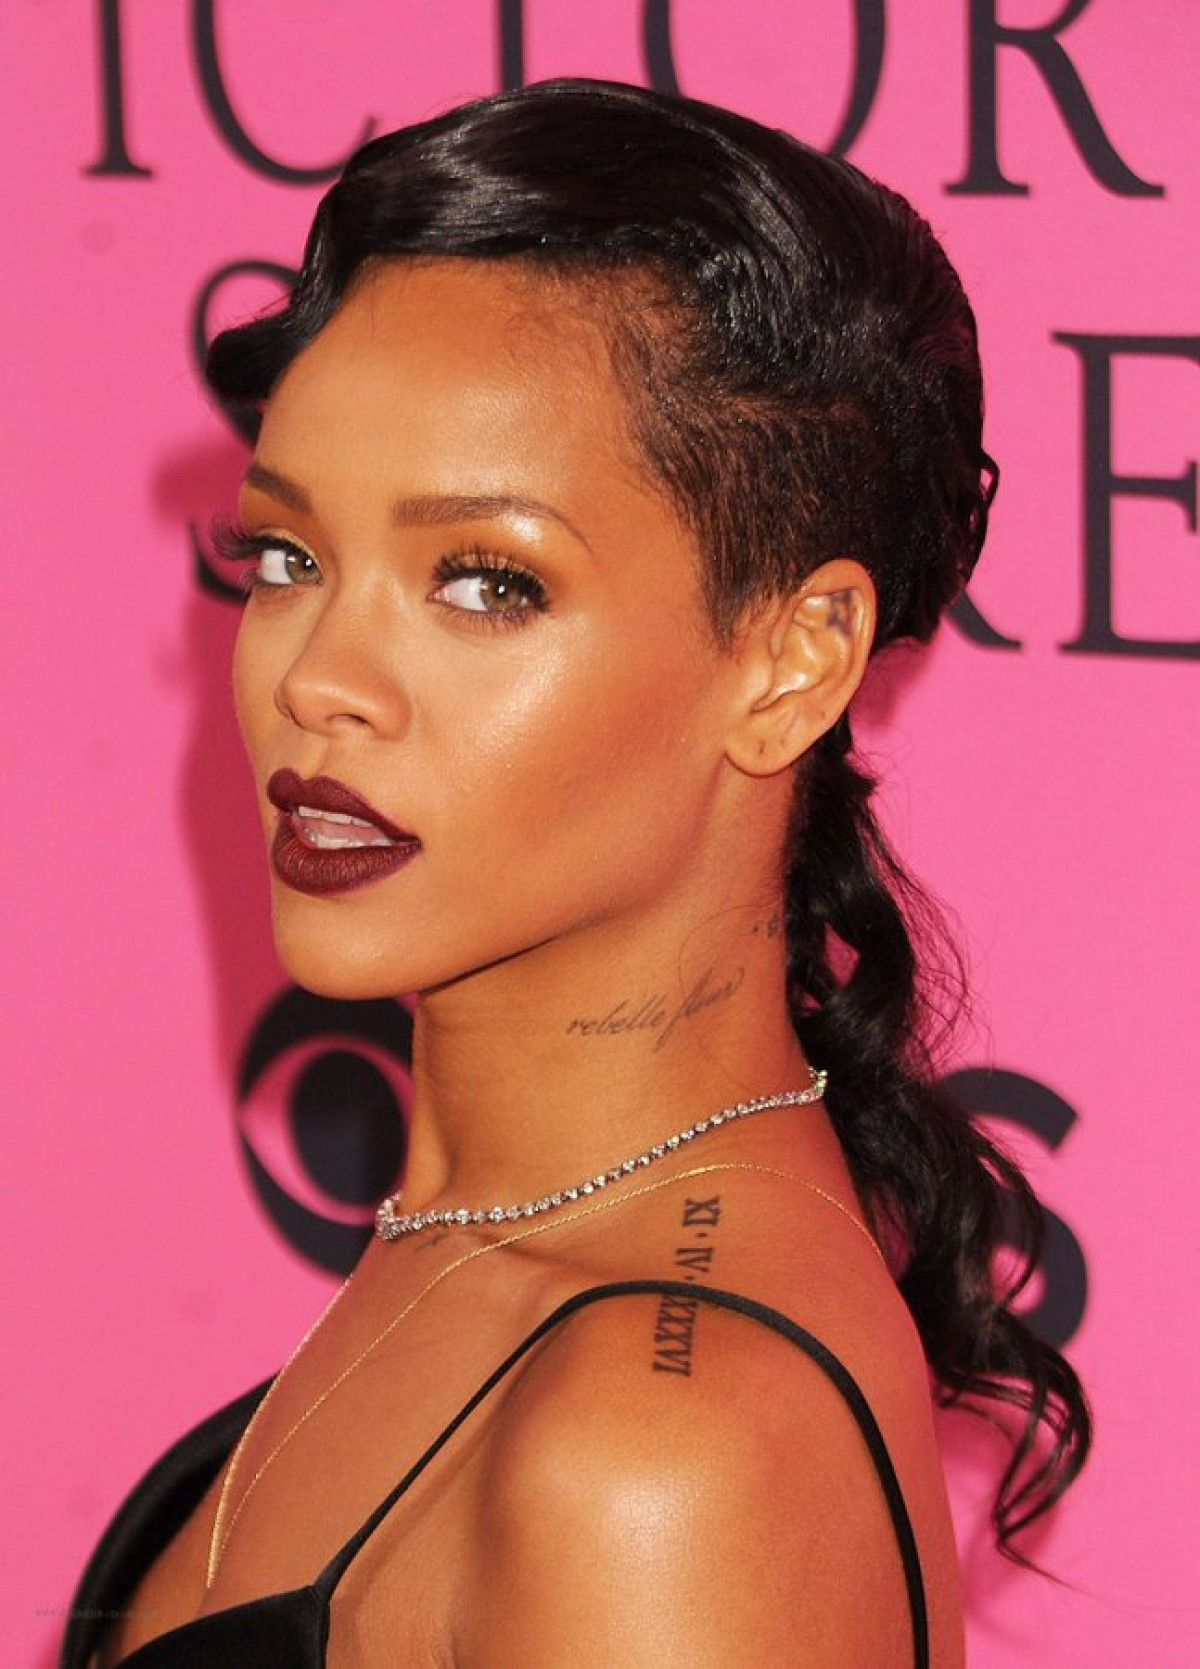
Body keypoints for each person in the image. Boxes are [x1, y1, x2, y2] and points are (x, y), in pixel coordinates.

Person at [64, 77, 1090, 1668]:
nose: (320, 678)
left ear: (794, 660)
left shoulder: (657, 1457)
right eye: (288, 556)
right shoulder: (500, 1242)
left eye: (487, 581)